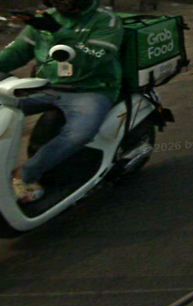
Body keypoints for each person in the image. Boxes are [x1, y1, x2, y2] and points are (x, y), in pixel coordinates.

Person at [0, 0, 124, 203]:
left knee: (79, 134)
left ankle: (25, 174)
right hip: (46, 86)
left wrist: (58, 32)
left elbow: (94, 58)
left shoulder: (106, 21)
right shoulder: (45, 19)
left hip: (89, 89)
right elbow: (16, 53)